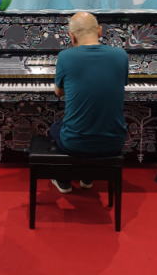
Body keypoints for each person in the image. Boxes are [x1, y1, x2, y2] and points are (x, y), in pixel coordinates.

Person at [49, 11, 128, 194]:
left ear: (71, 36)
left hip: (75, 143)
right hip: (115, 142)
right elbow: (119, 84)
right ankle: (87, 176)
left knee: (54, 128)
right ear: (100, 31)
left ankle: (64, 178)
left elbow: (59, 92)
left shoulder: (66, 57)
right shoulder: (121, 55)